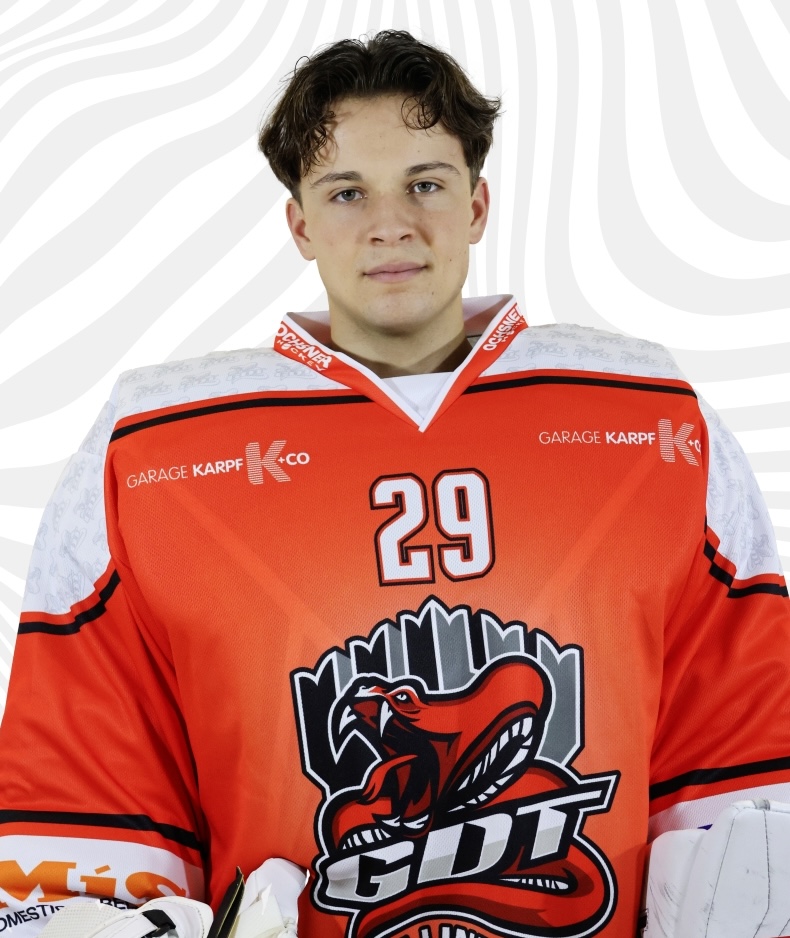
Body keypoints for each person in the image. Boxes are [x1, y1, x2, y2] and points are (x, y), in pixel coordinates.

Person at [1, 29, 789, 938]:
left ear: (477, 204)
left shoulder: (651, 417)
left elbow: (737, 745)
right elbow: (92, 763)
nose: (391, 224)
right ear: (300, 223)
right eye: (347, 192)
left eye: (425, 183)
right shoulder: (153, 447)